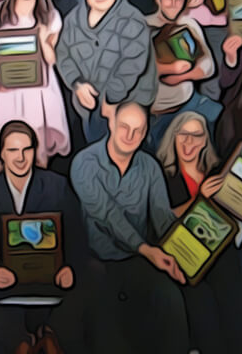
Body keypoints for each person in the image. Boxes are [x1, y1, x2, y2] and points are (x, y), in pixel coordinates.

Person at [69, 102, 189, 354]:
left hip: (137, 260)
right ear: (111, 123)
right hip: (95, 261)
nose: (130, 136)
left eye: (138, 130)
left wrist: (191, 248)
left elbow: (162, 219)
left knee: (171, 299)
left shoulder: (150, 167)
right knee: (107, 325)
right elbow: (107, 215)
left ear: (145, 133)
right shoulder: (84, 162)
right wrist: (148, 250)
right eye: (124, 126)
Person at [0, 121, 87, 352]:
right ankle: (21, 340)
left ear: (34, 151)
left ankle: (50, 333)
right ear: (1, 154)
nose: (20, 158)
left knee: (96, 272)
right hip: (7, 281)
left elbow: (78, 240)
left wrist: (69, 268)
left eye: (26, 150)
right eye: (12, 151)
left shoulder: (57, 186)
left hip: (53, 278)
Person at [153, 112, 242, 354]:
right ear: (173, 138)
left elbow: (232, 214)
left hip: (220, 250)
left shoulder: (217, 171)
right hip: (185, 254)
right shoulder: (163, 175)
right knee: (204, 311)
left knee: (234, 307)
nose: (189, 143)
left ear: (205, 141)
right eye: (183, 135)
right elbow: (162, 219)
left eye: (196, 136)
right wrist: (198, 200)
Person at [0, 0, 71, 167]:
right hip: (6, 88)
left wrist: (41, 38)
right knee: (4, 150)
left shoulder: (51, 16)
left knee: (38, 152)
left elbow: (52, 59)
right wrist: (2, 75)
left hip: (39, 90)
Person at [55, 0, 157, 145]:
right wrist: (77, 83)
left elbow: (131, 66)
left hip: (125, 105)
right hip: (89, 106)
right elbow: (63, 53)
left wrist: (111, 100)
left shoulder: (133, 20)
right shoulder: (73, 19)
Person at [143, 0, 223, 148]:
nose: (173, 4)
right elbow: (137, 69)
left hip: (189, 104)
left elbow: (209, 66)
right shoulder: (142, 25)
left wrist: (182, 76)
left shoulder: (188, 24)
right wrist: (170, 68)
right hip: (157, 113)